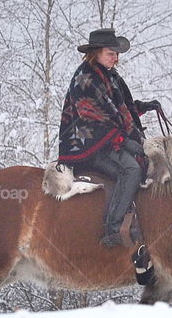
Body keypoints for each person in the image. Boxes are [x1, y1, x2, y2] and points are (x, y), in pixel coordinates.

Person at [57, 28, 161, 246]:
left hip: (107, 140)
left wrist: (141, 107)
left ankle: (135, 218)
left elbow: (117, 108)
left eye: (116, 54)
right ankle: (113, 229)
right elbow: (92, 117)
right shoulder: (86, 78)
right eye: (110, 53)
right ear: (96, 53)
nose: (115, 58)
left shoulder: (109, 76)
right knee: (131, 169)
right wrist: (123, 141)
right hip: (88, 144)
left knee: (144, 164)